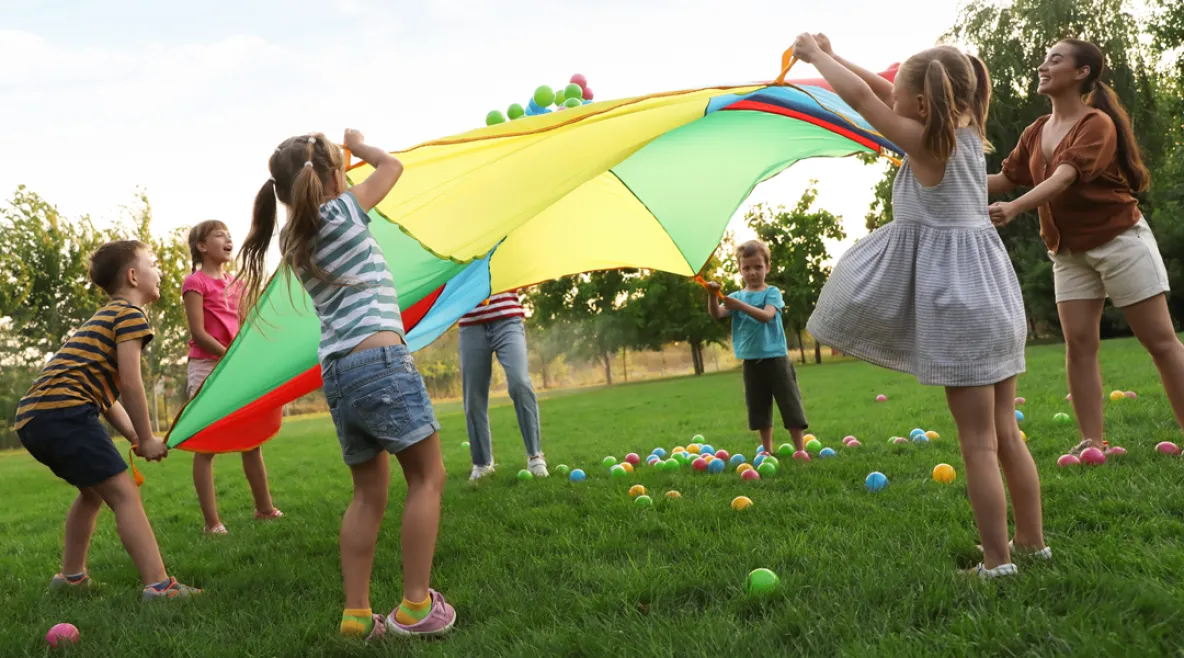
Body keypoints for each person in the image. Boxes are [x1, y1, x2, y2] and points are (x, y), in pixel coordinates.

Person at [795, 33, 1047, 579]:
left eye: (902, 99)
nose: (892, 102)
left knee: (978, 443)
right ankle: (1031, 543)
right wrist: (835, 56)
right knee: (1005, 434)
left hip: (962, 307)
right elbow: (884, 91)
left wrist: (815, 60)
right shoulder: (966, 130)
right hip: (996, 300)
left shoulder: (927, 146)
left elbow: (864, 101)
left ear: (923, 105)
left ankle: (998, 562)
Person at [236, 130, 454, 640]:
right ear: (334, 177)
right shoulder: (343, 211)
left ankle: (357, 615)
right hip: (379, 360)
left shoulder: (294, 239)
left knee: (366, 496)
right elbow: (393, 168)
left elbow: (322, 193)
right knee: (428, 478)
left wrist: (336, 165)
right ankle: (417, 607)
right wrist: (364, 146)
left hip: (337, 374)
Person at [988, 38, 1184, 456]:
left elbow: (1063, 177)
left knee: (1161, 342)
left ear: (1081, 73)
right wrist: (939, 174)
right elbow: (1004, 180)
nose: (1043, 65)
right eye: (1044, 57)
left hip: (1119, 241)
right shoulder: (1036, 131)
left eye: (1054, 59)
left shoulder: (1097, 124)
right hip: (1068, 251)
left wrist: (1016, 207)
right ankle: (1092, 441)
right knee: (1079, 345)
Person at [14, 239, 201, 600]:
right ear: (133, 276)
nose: (158, 270)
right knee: (124, 495)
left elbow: (105, 396)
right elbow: (131, 382)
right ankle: (160, 587)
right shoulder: (130, 315)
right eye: (153, 263)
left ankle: (70, 578)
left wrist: (132, 434)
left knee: (91, 493)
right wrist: (147, 437)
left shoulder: (102, 318)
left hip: (35, 417)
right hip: (65, 412)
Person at [183, 220, 282, 535]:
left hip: (235, 365)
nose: (228, 239)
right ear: (202, 246)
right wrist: (229, 357)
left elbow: (244, 323)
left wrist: (250, 355)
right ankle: (212, 523)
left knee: (251, 440)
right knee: (207, 444)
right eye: (218, 235)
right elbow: (198, 332)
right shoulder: (195, 283)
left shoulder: (236, 283)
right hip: (207, 367)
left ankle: (264, 509)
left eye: (228, 234)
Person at [706, 239, 809, 457]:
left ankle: (800, 450)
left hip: (776, 359)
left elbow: (766, 316)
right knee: (759, 409)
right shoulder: (735, 296)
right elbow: (717, 314)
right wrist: (712, 296)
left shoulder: (772, 293)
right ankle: (767, 450)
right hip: (751, 362)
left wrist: (740, 306)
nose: (752, 272)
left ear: (767, 267)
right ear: (740, 269)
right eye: (747, 268)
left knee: (789, 404)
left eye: (758, 267)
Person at [459, 290, 548, 480]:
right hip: (470, 324)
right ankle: (482, 463)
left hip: (507, 318)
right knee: (473, 396)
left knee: (520, 383)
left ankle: (535, 456)